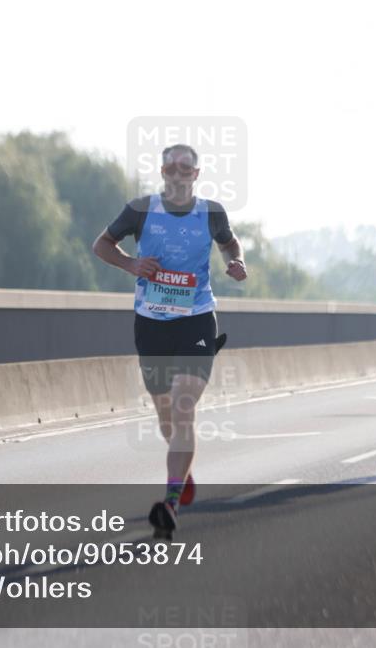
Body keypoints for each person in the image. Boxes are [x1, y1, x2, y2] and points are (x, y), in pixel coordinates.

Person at [92, 144, 246, 538]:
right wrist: (131, 264)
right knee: (165, 412)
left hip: (196, 320)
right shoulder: (141, 209)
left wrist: (235, 260)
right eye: (170, 167)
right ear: (163, 171)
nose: (177, 173)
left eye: (185, 168)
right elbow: (102, 245)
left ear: (196, 174)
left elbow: (229, 242)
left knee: (182, 406)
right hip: (151, 322)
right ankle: (183, 471)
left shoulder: (211, 212)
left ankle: (170, 501)